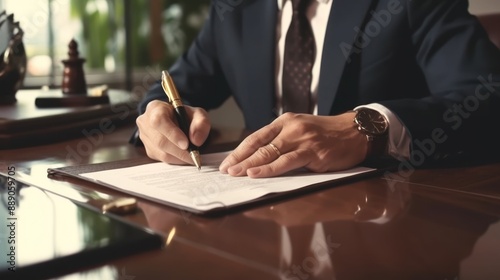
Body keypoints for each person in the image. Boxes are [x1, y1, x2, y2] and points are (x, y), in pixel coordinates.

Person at [133, 0, 500, 178]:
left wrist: (367, 128)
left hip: (394, 217)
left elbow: (486, 96)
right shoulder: (234, 10)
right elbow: (172, 90)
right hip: (258, 215)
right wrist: (155, 116)